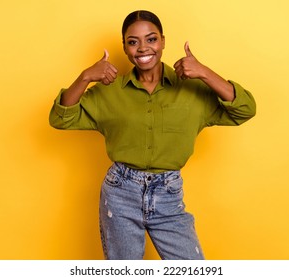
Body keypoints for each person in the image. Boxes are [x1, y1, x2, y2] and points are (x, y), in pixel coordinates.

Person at [49, 10, 256, 260]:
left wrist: (204, 72)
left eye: (151, 39)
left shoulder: (192, 90)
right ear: (124, 48)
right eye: (133, 42)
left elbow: (244, 109)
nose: (143, 48)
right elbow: (61, 118)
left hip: (168, 194)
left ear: (163, 42)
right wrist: (85, 77)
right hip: (120, 193)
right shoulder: (109, 92)